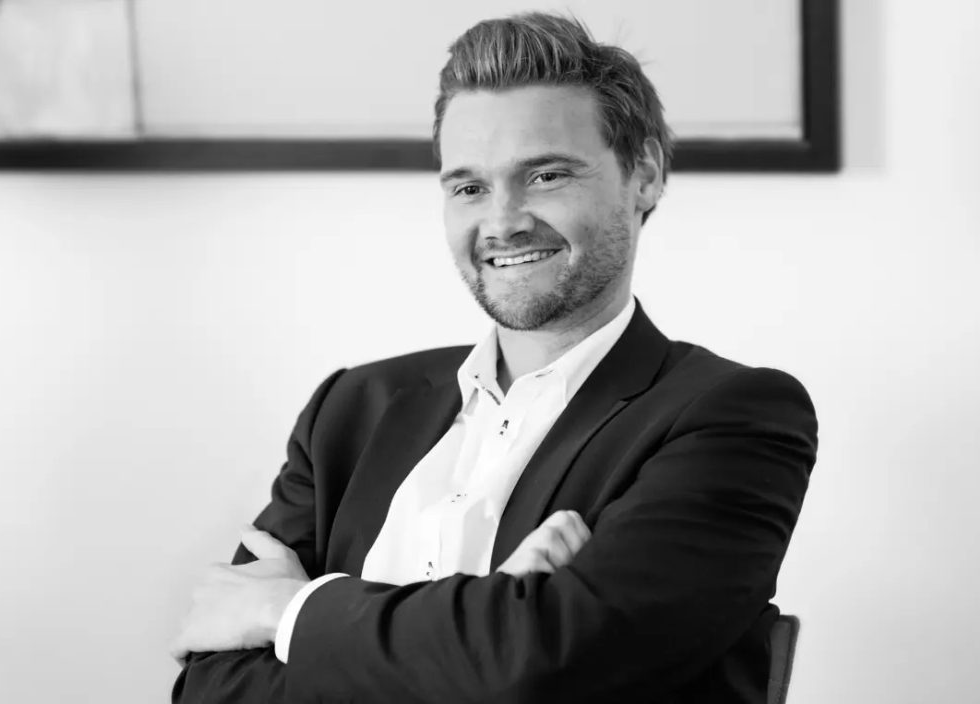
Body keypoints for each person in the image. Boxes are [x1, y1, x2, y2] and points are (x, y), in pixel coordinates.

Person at [170, 12, 817, 704]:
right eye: (469, 187)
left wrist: (287, 612)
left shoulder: (732, 417)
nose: (503, 221)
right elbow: (210, 684)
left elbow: (551, 659)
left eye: (545, 175)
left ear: (646, 176)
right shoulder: (351, 411)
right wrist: (486, 633)